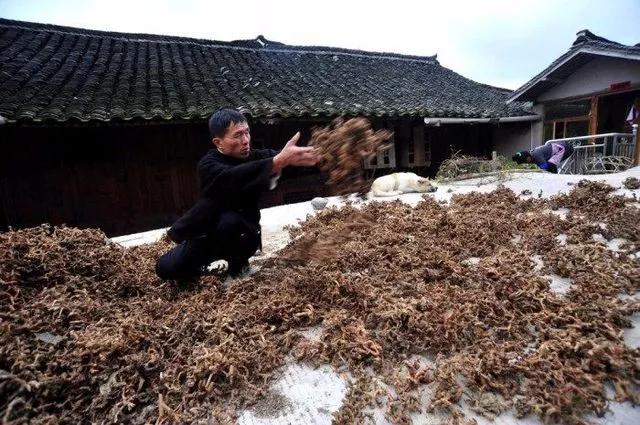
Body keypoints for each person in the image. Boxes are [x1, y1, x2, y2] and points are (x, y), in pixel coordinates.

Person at [156, 109, 319, 280]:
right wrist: (276, 163)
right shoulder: (208, 165)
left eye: (247, 132)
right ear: (218, 142)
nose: (246, 140)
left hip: (243, 235)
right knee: (165, 268)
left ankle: (239, 265)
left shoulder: (258, 157)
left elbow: (284, 161)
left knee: (232, 222)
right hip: (208, 233)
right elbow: (232, 179)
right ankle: (202, 267)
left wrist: (317, 156)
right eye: (238, 135)